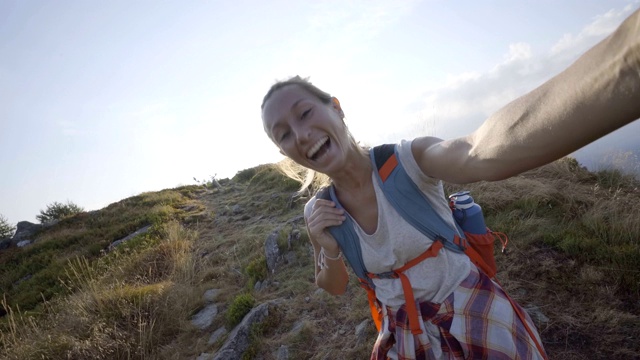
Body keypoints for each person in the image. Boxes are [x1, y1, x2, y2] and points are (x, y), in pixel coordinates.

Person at [260, 8, 639, 360]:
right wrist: (326, 246)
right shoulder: (321, 212)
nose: (302, 133)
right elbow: (334, 286)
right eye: (284, 135)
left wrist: (627, 65)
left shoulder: (406, 161)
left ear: (336, 107)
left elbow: (477, 150)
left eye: (306, 112)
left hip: (473, 314)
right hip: (405, 337)